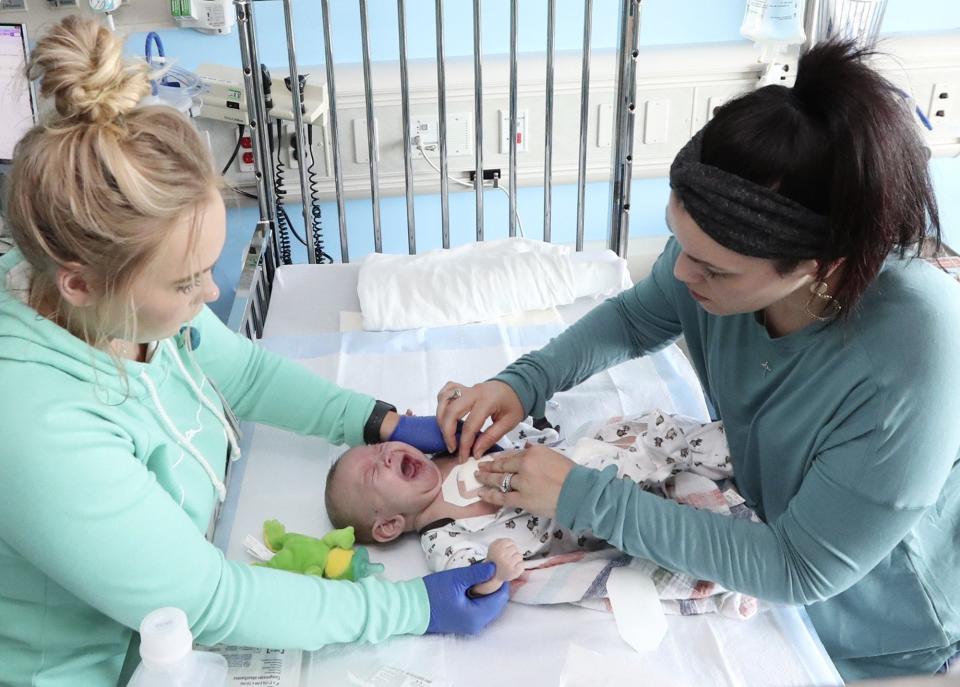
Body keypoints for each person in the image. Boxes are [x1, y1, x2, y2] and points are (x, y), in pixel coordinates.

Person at [0, 17, 505, 687]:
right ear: (79, 281)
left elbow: (242, 369)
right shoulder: (32, 421)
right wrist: (408, 604)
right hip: (91, 665)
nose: (210, 294)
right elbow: (205, 600)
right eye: (186, 283)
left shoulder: (118, 307)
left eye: (209, 267)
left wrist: (377, 419)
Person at [437, 40, 960, 682]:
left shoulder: (912, 353)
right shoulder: (720, 253)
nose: (682, 273)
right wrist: (526, 381)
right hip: (763, 527)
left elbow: (800, 569)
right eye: (677, 242)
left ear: (817, 270)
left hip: (880, 603)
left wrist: (584, 496)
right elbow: (636, 316)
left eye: (711, 267)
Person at [324, 411, 754, 617]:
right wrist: (494, 569)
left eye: (379, 449)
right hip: (579, 519)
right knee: (657, 508)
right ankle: (732, 502)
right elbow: (464, 579)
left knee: (655, 433)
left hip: (583, 457)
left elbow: (494, 427)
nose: (384, 456)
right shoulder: (441, 535)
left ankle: (749, 451)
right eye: (371, 473)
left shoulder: (451, 450)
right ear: (388, 525)